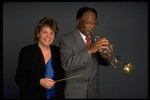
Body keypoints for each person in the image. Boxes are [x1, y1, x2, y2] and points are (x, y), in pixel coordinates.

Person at [59, 7, 113, 99]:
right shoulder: (65, 39)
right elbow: (67, 65)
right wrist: (90, 50)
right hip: (75, 93)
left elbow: (105, 63)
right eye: (88, 23)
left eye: (94, 23)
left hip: (93, 92)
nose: (91, 26)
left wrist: (107, 55)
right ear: (78, 21)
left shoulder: (96, 39)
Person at [15, 17, 64, 99]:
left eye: (52, 33)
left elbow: (62, 76)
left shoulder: (57, 51)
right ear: (38, 33)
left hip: (55, 96)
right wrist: (39, 82)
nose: (48, 36)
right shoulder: (26, 51)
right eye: (44, 32)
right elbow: (19, 79)